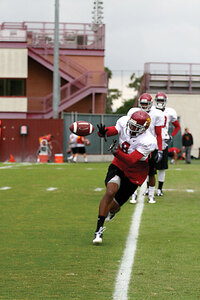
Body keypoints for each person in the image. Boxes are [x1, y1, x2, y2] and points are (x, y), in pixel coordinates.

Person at [93, 110, 157, 245]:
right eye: (131, 124)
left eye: (135, 127)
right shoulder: (123, 122)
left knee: (114, 207)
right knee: (110, 191)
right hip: (118, 165)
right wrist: (103, 132)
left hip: (135, 172)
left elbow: (131, 160)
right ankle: (98, 230)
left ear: (143, 129)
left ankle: (112, 210)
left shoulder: (148, 140)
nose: (131, 128)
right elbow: (112, 130)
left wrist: (116, 152)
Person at [127, 93, 164, 204]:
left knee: (151, 173)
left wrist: (160, 150)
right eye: (142, 103)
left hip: (150, 146)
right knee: (134, 171)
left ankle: (151, 195)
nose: (143, 106)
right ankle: (133, 194)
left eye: (145, 103)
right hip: (136, 145)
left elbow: (158, 134)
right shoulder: (133, 112)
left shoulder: (157, 114)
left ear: (150, 103)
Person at [153, 92, 181, 196]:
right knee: (149, 168)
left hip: (163, 142)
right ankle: (148, 188)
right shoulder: (151, 111)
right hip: (151, 142)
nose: (160, 103)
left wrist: (172, 136)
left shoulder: (170, 112)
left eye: (162, 101)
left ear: (165, 102)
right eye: (158, 100)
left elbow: (177, 126)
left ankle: (159, 189)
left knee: (162, 167)